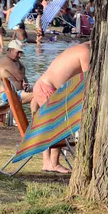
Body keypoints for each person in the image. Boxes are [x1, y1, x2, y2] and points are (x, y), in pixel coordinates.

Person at [31, 41, 92, 174]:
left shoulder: (77, 49)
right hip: (48, 89)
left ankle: (48, 162)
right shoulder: (86, 52)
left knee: (50, 127)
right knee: (59, 126)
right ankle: (53, 163)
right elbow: (89, 81)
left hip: (43, 86)